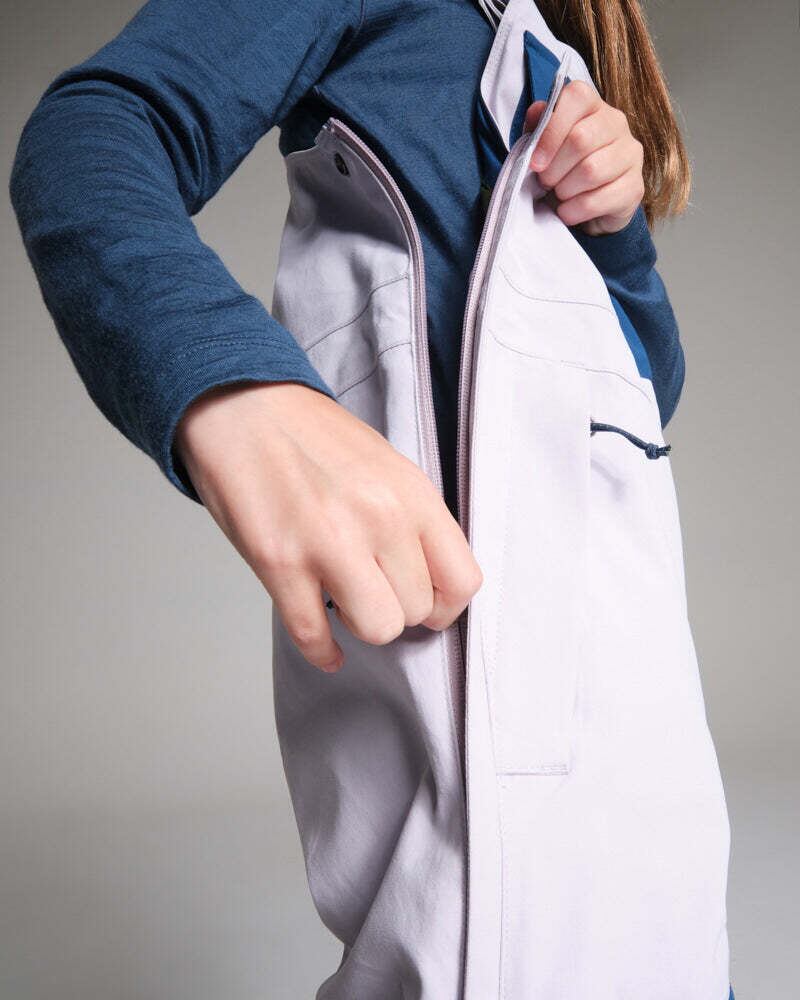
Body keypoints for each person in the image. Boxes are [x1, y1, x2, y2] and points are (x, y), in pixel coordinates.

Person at [10, 0, 733, 997]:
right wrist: (236, 387)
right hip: (505, 909)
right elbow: (89, 135)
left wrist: (617, 243)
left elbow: (649, 391)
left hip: (665, 840)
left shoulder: (550, 48)